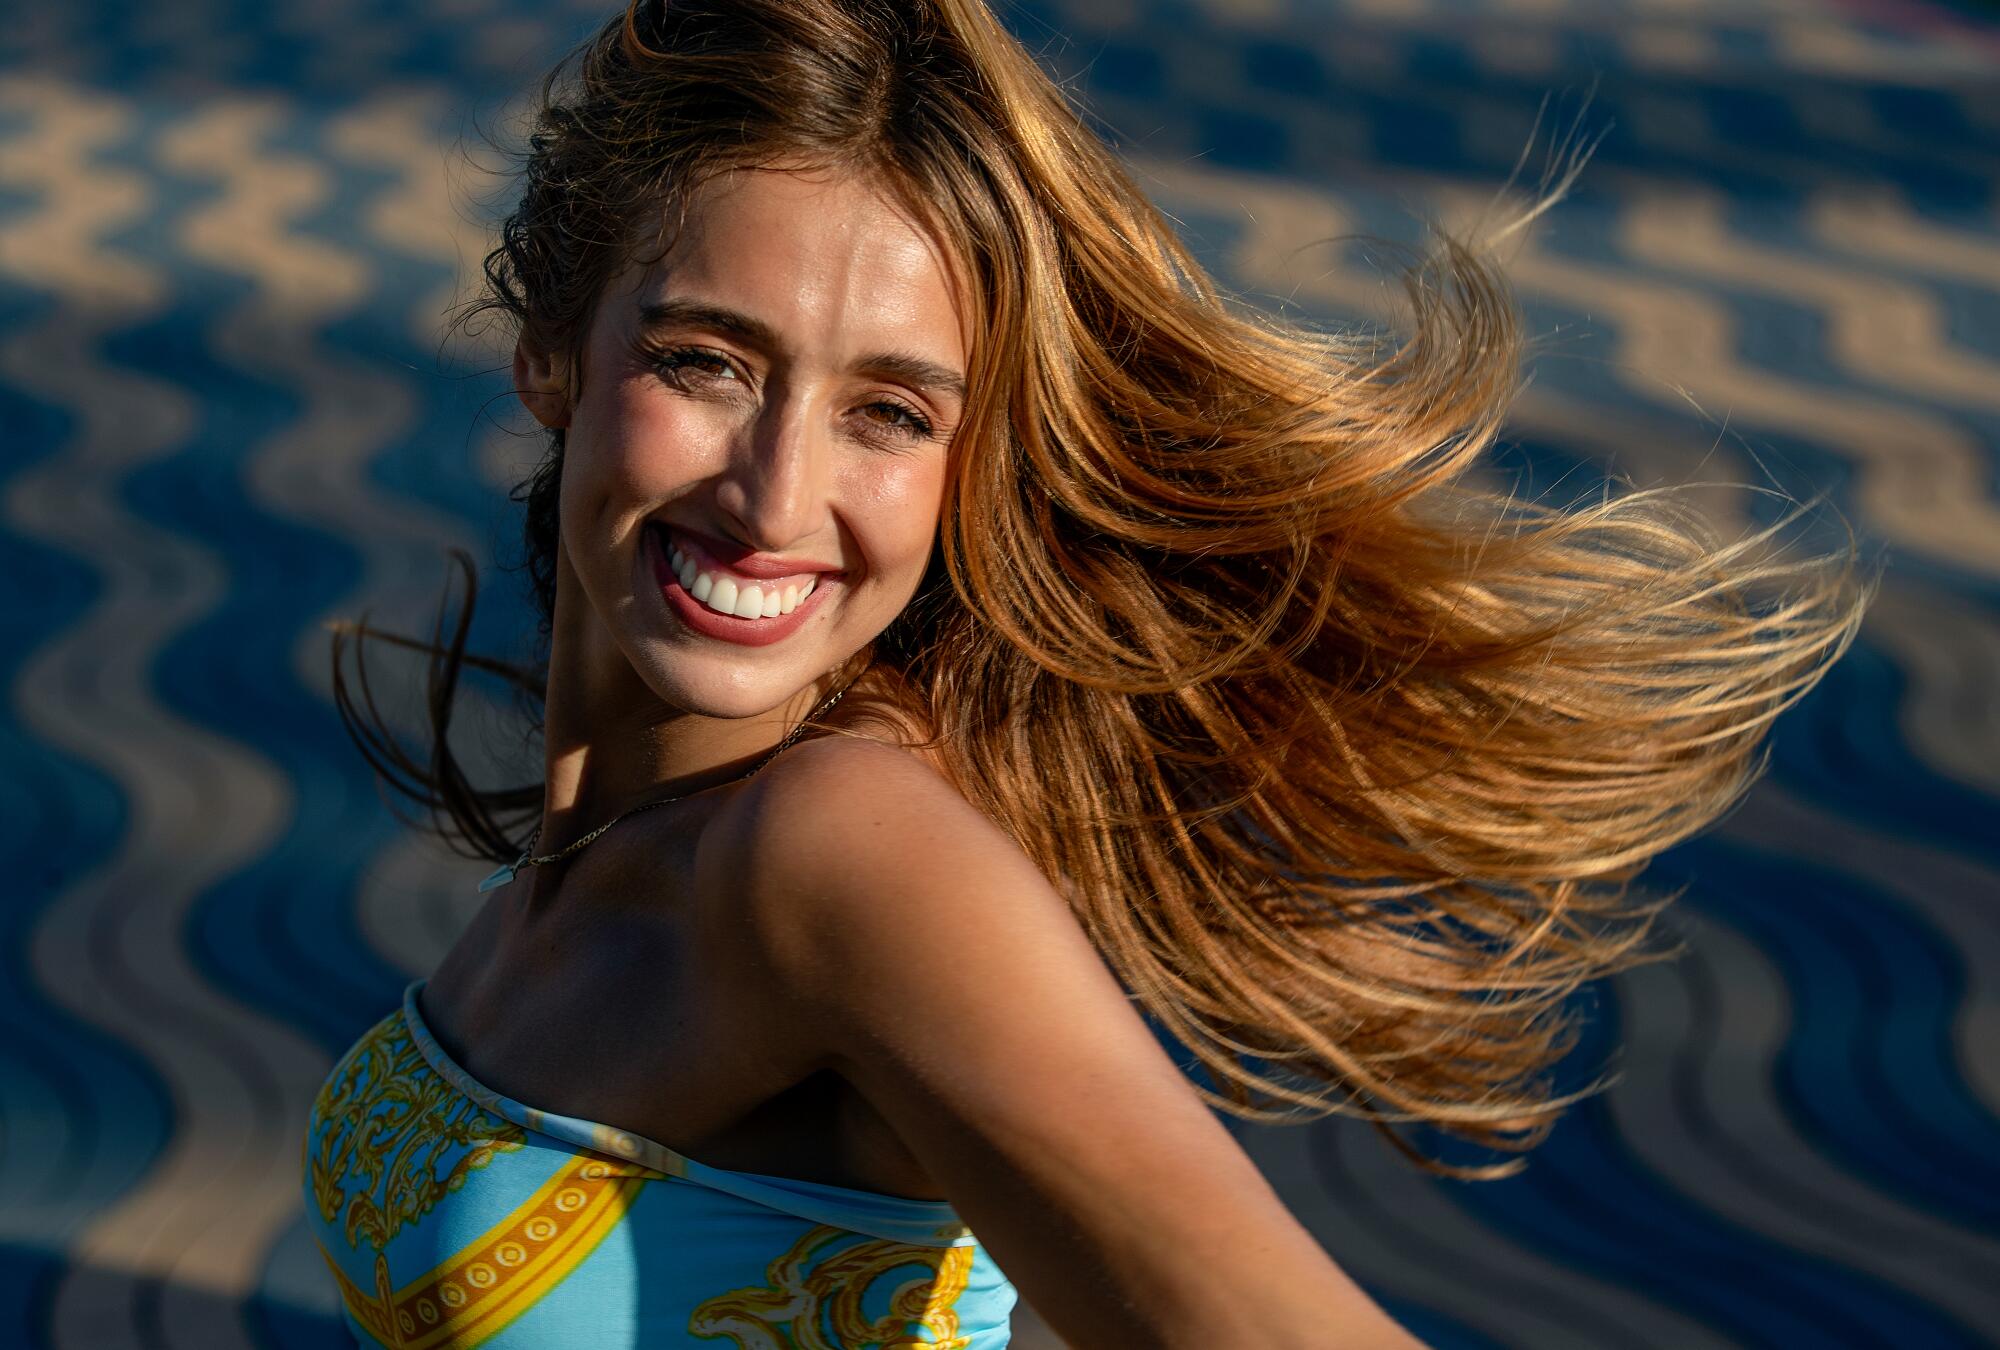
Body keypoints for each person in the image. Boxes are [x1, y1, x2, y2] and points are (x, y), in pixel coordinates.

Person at [306, 0, 1872, 1345]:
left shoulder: (836, 853)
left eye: (892, 413)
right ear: (553, 348)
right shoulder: (634, 823)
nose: (779, 497)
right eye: (709, 361)